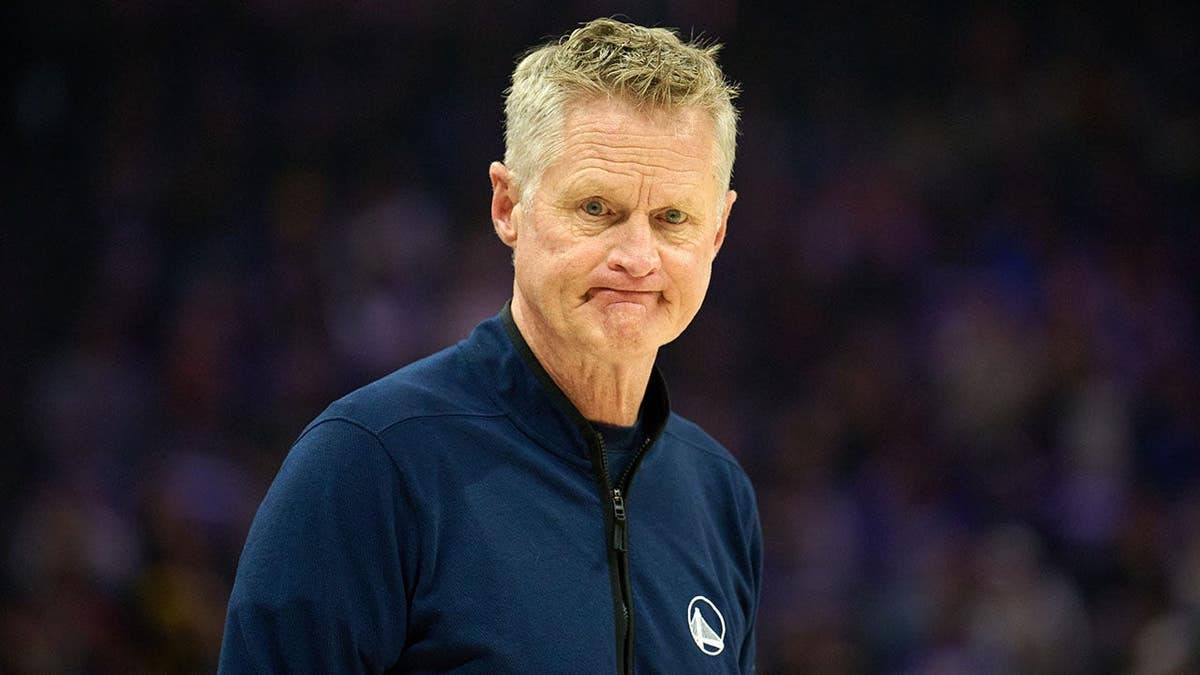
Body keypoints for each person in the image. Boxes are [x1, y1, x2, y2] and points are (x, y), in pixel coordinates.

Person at [220, 18, 761, 674]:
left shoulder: (720, 496)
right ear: (508, 206)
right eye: (596, 208)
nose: (638, 257)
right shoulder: (369, 463)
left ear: (718, 230)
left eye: (673, 217)